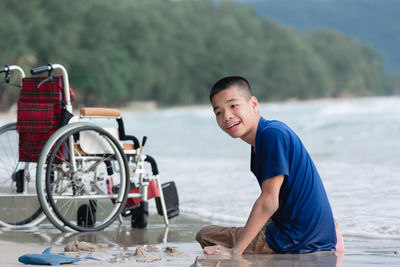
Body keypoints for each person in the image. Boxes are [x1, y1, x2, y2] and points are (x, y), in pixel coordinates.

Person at [196, 76, 344, 255]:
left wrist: (235, 252)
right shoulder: (265, 136)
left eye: (233, 106)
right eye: (218, 112)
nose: (227, 116)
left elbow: (269, 202)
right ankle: (330, 228)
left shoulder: (271, 135)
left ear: (253, 104)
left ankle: (326, 234)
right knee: (257, 223)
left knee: (205, 235)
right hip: (310, 230)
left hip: (297, 240)